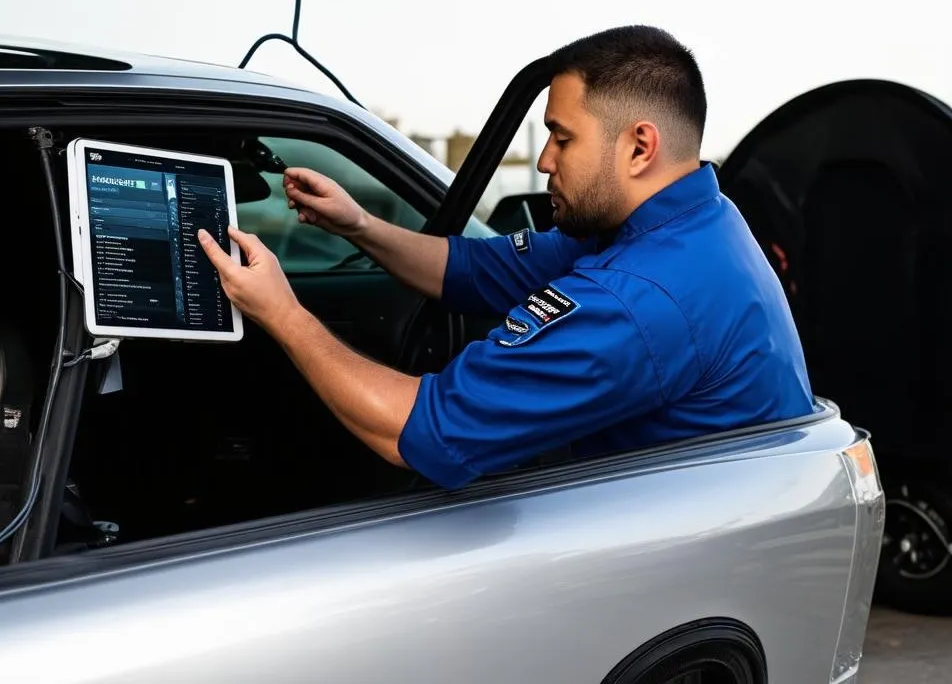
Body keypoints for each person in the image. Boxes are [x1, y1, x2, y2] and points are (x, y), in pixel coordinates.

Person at [198, 25, 814, 489]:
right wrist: (359, 224)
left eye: (562, 137)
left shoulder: (638, 299)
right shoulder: (687, 222)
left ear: (638, 147)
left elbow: (419, 432)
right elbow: (472, 270)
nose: (544, 160)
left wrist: (282, 314)